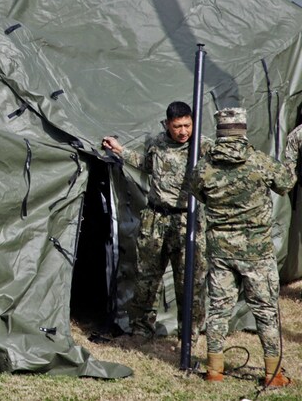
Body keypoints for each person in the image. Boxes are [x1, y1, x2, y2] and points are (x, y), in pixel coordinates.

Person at [189, 107, 301, 387]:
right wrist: (291, 151)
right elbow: (286, 183)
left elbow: (195, 191)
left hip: (220, 249)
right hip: (257, 252)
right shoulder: (259, 162)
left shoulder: (203, 166)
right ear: (243, 129)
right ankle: (273, 374)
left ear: (219, 131)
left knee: (218, 310)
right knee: (265, 311)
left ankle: (214, 370)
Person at [102, 101, 211, 339]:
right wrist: (120, 150)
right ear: (167, 124)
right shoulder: (158, 143)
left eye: (187, 125)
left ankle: (189, 333)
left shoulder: (202, 147)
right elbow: (148, 166)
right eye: (177, 126)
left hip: (187, 219)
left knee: (190, 279)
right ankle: (142, 329)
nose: (183, 131)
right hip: (156, 219)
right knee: (146, 277)